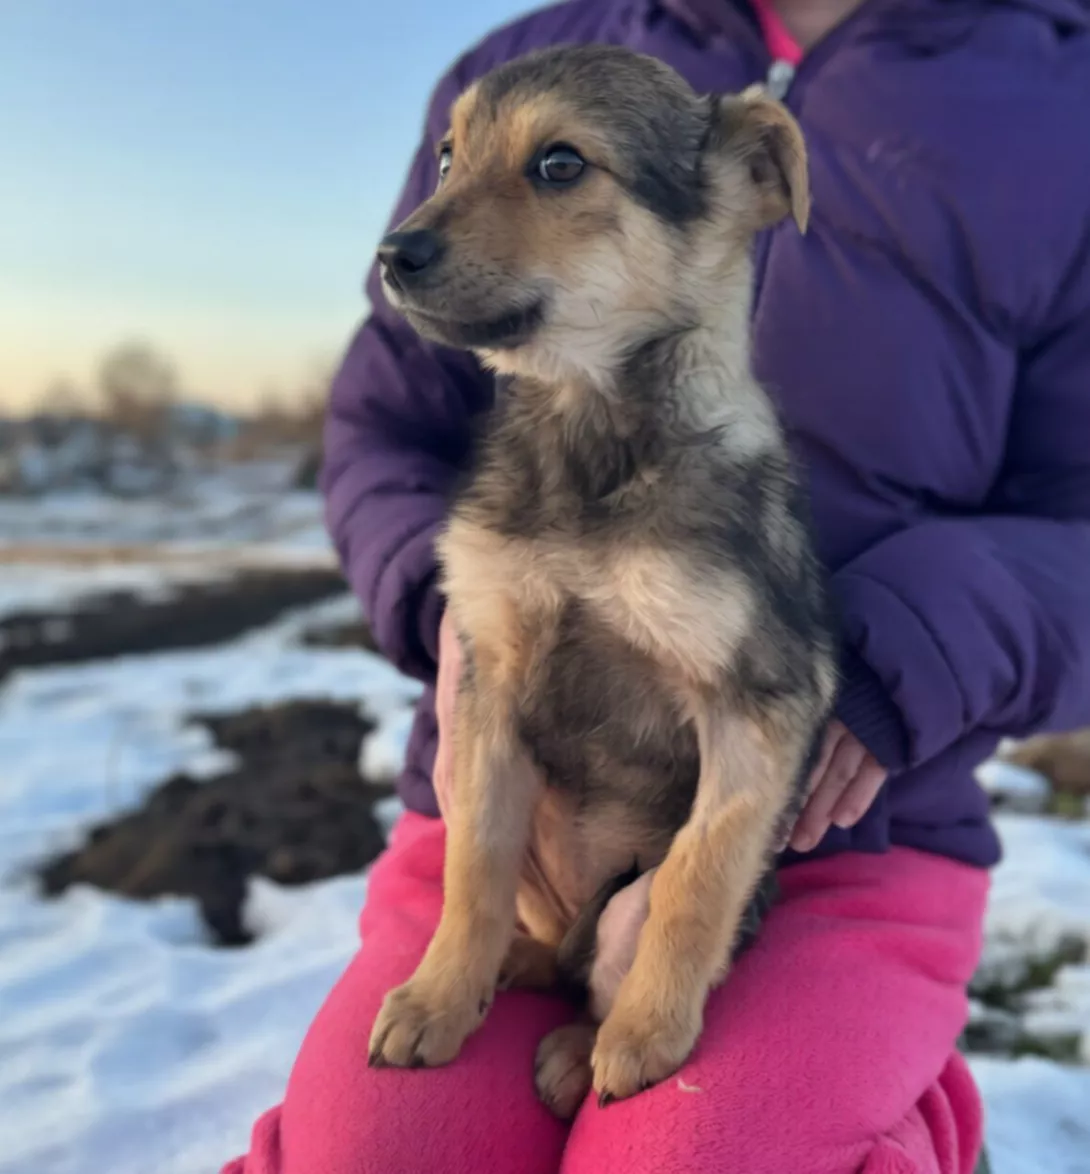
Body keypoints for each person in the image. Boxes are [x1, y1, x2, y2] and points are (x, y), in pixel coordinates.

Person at [224, 0, 1090, 1170]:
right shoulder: (527, 52)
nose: (434, 217)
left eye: (554, 169)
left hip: (856, 828)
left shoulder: (1063, 97)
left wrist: (905, 647)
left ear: (752, 183)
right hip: (506, 817)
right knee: (377, 1150)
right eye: (456, 160)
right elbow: (384, 426)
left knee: (708, 1149)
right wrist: (452, 612)